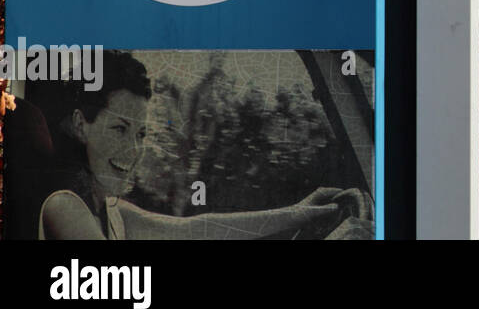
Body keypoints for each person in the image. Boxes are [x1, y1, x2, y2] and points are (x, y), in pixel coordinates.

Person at [32, 51, 368, 240]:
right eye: (120, 129)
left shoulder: (113, 214)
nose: (133, 151)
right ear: (80, 125)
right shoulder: (65, 207)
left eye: (141, 135)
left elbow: (198, 229)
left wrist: (301, 213)